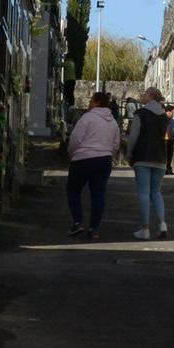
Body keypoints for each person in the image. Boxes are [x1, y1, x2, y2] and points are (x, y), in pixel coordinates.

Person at [64, 91, 121, 238]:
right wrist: (109, 153)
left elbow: (76, 139)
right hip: (104, 160)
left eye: (90, 101)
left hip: (83, 159)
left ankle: (78, 222)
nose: (89, 104)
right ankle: (93, 228)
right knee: (98, 195)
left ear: (96, 102)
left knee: (74, 191)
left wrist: (71, 153)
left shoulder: (87, 118)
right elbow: (116, 144)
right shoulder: (113, 121)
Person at [124, 87, 172, 239]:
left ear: (150, 96)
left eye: (145, 93)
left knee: (143, 193)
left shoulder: (141, 114)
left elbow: (133, 137)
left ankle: (145, 229)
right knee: (156, 192)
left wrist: (129, 153)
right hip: (160, 158)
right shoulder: (165, 117)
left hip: (143, 157)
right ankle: (162, 224)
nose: (142, 95)